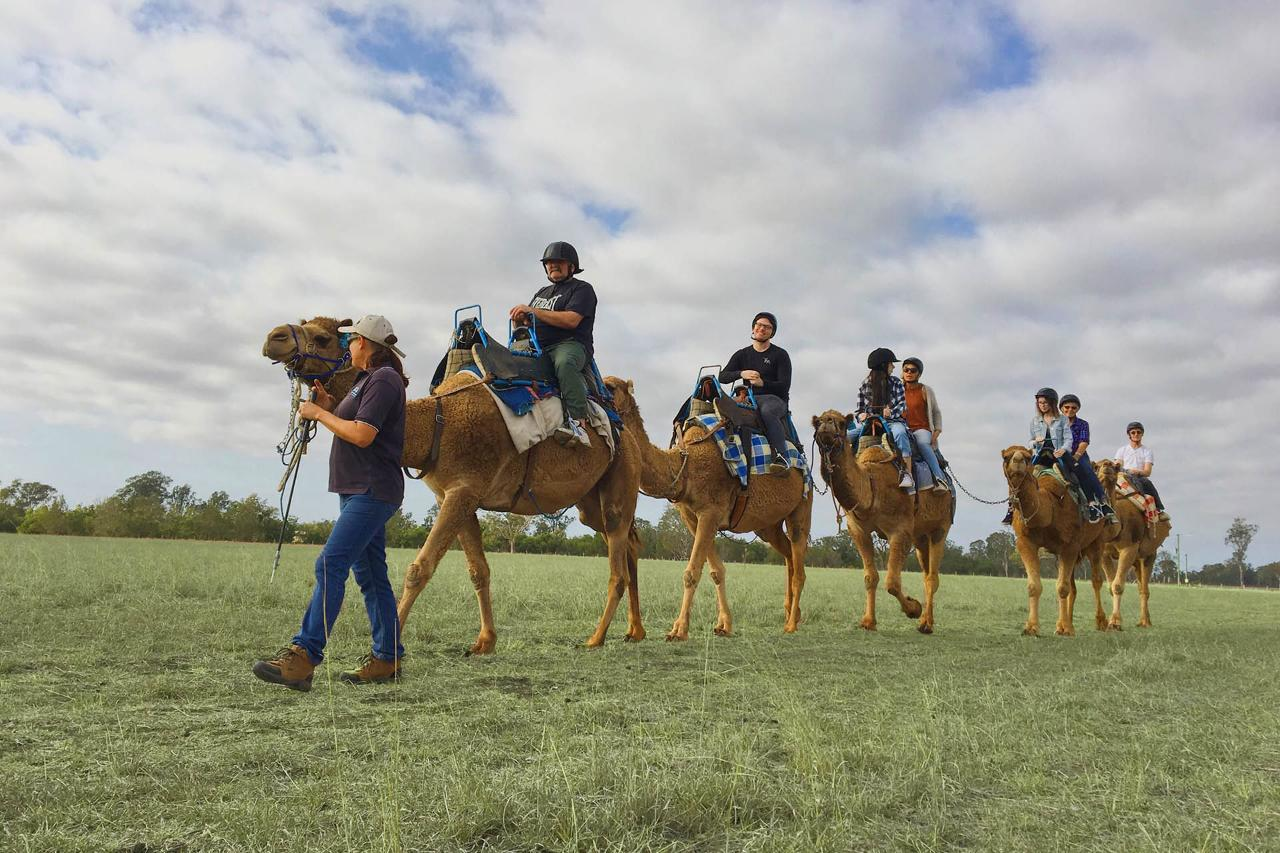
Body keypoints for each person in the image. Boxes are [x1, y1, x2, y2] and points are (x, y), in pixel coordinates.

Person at [253, 315, 409, 692]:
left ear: (365, 344)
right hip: (356, 488)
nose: (346, 347)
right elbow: (349, 419)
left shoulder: (384, 379)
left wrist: (319, 413)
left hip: (372, 489)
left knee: (330, 563)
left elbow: (362, 435)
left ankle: (304, 657)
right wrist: (328, 404)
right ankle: (387, 658)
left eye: (350, 341)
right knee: (371, 577)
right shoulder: (363, 383)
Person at [509, 241, 597, 448]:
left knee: (564, 364)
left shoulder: (582, 289)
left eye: (558, 261)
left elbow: (571, 320)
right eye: (549, 262)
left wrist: (533, 311)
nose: (553, 265)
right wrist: (519, 320)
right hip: (537, 347)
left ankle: (578, 423)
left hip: (570, 344)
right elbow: (529, 322)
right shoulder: (541, 293)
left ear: (571, 266)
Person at [719, 312, 794, 475]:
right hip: (749, 398)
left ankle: (782, 457)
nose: (762, 329)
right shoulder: (742, 354)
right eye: (759, 325)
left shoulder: (780, 355)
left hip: (775, 400)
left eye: (767, 327)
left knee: (767, 411)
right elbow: (722, 377)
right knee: (721, 407)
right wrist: (741, 374)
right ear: (753, 328)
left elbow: (784, 386)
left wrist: (762, 383)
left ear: (772, 332)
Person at [1003, 387, 1078, 524]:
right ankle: (1011, 510)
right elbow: (1030, 441)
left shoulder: (1062, 419)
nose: (1042, 405)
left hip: (1058, 455)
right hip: (1041, 455)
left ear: (1052, 403)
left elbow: (1069, 439)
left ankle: (1086, 506)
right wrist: (1035, 442)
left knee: (1075, 477)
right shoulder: (1035, 421)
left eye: (1045, 402)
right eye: (1040, 402)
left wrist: (1063, 449)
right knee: (1019, 478)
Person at [847, 347, 915, 492]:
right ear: (884, 365)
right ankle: (846, 475)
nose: (894, 367)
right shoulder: (865, 385)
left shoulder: (896, 383)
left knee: (901, 434)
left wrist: (890, 413)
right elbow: (858, 411)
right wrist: (861, 416)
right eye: (891, 363)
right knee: (844, 438)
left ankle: (907, 474)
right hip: (870, 424)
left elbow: (903, 406)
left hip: (892, 423)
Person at [1059, 394, 1117, 522]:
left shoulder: (1082, 424)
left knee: (1086, 470)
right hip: (1061, 455)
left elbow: (1084, 441)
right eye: (1067, 407)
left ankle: (1101, 501)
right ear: (1061, 408)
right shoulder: (1056, 425)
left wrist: (1077, 456)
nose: (1070, 410)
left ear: (1077, 409)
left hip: (1079, 454)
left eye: (1073, 407)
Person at [900, 357, 949, 494]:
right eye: (906, 369)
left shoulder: (925, 390)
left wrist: (936, 432)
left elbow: (936, 412)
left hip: (921, 428)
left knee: (922, 444)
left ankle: (940, 479)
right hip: (904, 428)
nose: (909, 372)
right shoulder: (897, 390)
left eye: (913, 370)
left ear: (919, 374)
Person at [1115, 421, 1169, 521]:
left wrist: (1136, 472)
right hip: (1124, 476)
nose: (1136, 434)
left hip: (1139, 477)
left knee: (1147, 483)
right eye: (1133, 432)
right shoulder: (1122, 450)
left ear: (1142, 434)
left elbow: (1147, 472)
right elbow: (1118, 464)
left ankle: (1158, 509)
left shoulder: (1147, 451)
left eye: (1138, 432)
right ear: (1129, 435)